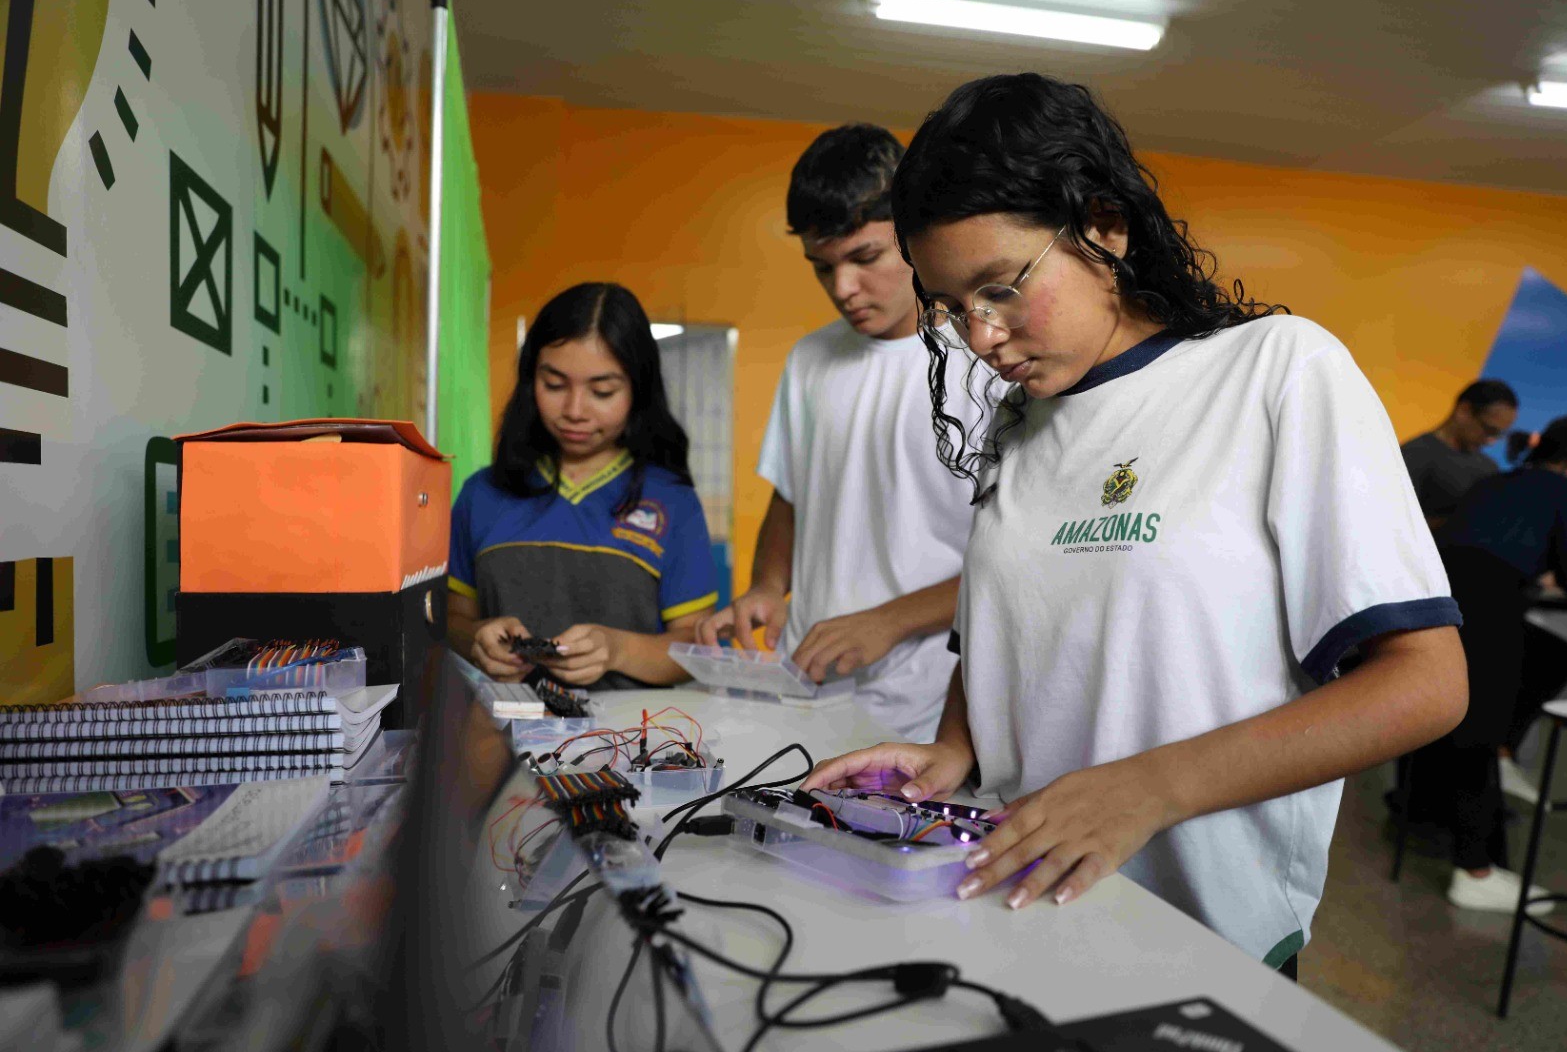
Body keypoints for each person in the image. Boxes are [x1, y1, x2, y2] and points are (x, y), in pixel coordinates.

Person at [805, 74, 1468, 977]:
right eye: (953, 306)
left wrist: (1151, 790)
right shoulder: (1019, 425)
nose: (981, 336)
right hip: (1022, 898)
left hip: (1205, 935)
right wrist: (951, 752)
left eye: (1000, 288)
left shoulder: (1276, 374)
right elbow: (1000, 639)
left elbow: (1426, 684)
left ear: (1105, 227)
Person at [695, 124, 981, 742]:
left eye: (865, 258)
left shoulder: (986, 361)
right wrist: (768, 587)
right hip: (808, 685)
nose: (842, 289)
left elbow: (1019, 557)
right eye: (822, 267)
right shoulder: (809, 359)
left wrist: (889, 621)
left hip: (932, 704)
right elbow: (793, 496)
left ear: (914, 231)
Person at [447, 282, 718, 691]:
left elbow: (695, 646)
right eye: (554, 384)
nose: (574, 410)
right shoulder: (482, 493)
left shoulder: (672, 501)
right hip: (499, 732)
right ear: (529, 379)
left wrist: (617, 648)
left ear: (638, 391)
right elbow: (450, 620)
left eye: (602, 391)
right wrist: (477, 640)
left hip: (630, 740)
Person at [1411, 416, 1567, 911]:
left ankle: (1502, 753)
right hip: (1487, 599)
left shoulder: (1498, 481)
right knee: (1478, 725)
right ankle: (1475, 870)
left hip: (1441, 595)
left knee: (1551, 655)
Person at [1400, 379, 1518, 530]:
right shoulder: (1415, 455)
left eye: (1499, 434)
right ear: (1464, 410)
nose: (1491, 441)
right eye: (1489, 430)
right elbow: (1396, 527)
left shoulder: (1489, 468)